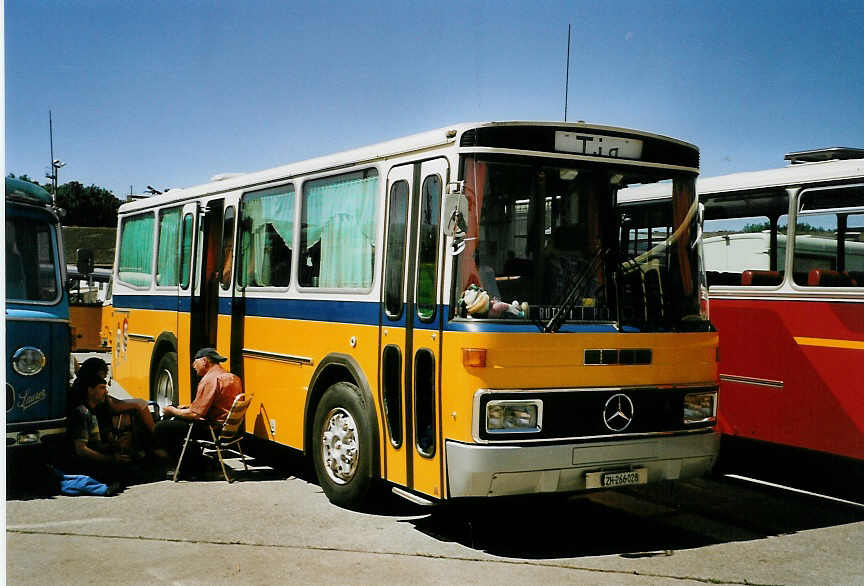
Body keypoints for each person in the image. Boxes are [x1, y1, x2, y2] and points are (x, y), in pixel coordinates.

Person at [154, 347, 243, 477]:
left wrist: (172, 411)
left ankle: (192, 464)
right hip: (228, 428)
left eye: (195, 362)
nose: (193, 366)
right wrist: (187, 407)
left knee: (161, 428)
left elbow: (195, 414)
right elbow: (213, 404)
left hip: (212, 429)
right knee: (177, 422)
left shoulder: (210, 380)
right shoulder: (232, 377)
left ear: (205, 361)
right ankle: (195, 459)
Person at [65, 373, 133, 484]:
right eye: (102, 388)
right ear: (90, 390)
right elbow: (81, 450)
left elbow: (97, 443)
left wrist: (115, 445)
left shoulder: (95, 411)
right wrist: (111, 460)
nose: (105, 392)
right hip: (83, 465)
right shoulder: (82, 412)